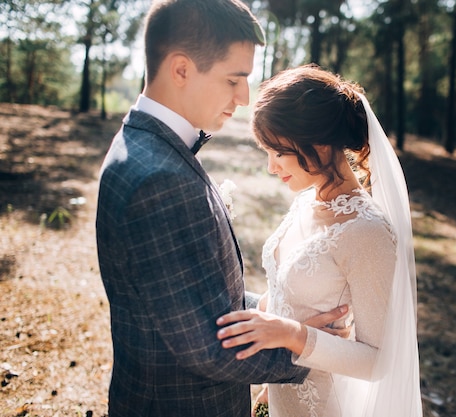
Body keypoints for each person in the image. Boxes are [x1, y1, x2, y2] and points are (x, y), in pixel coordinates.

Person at [95, 2, 346, 416]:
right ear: (181, 70)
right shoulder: (155, 177)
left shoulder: (151, 146)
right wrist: (306, 348)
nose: (245, 97)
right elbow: (206, 348)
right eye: (234, 79)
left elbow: (185, 295)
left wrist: (273, 310)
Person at [216, 65, 423, 417]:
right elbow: (285, 294)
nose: (270, 166)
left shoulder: (368, 232)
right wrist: (267, 388)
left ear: (320, 143)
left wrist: (291, 334)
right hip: (280, 397)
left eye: (278, 152)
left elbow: (379, 362)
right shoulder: (305, 203)